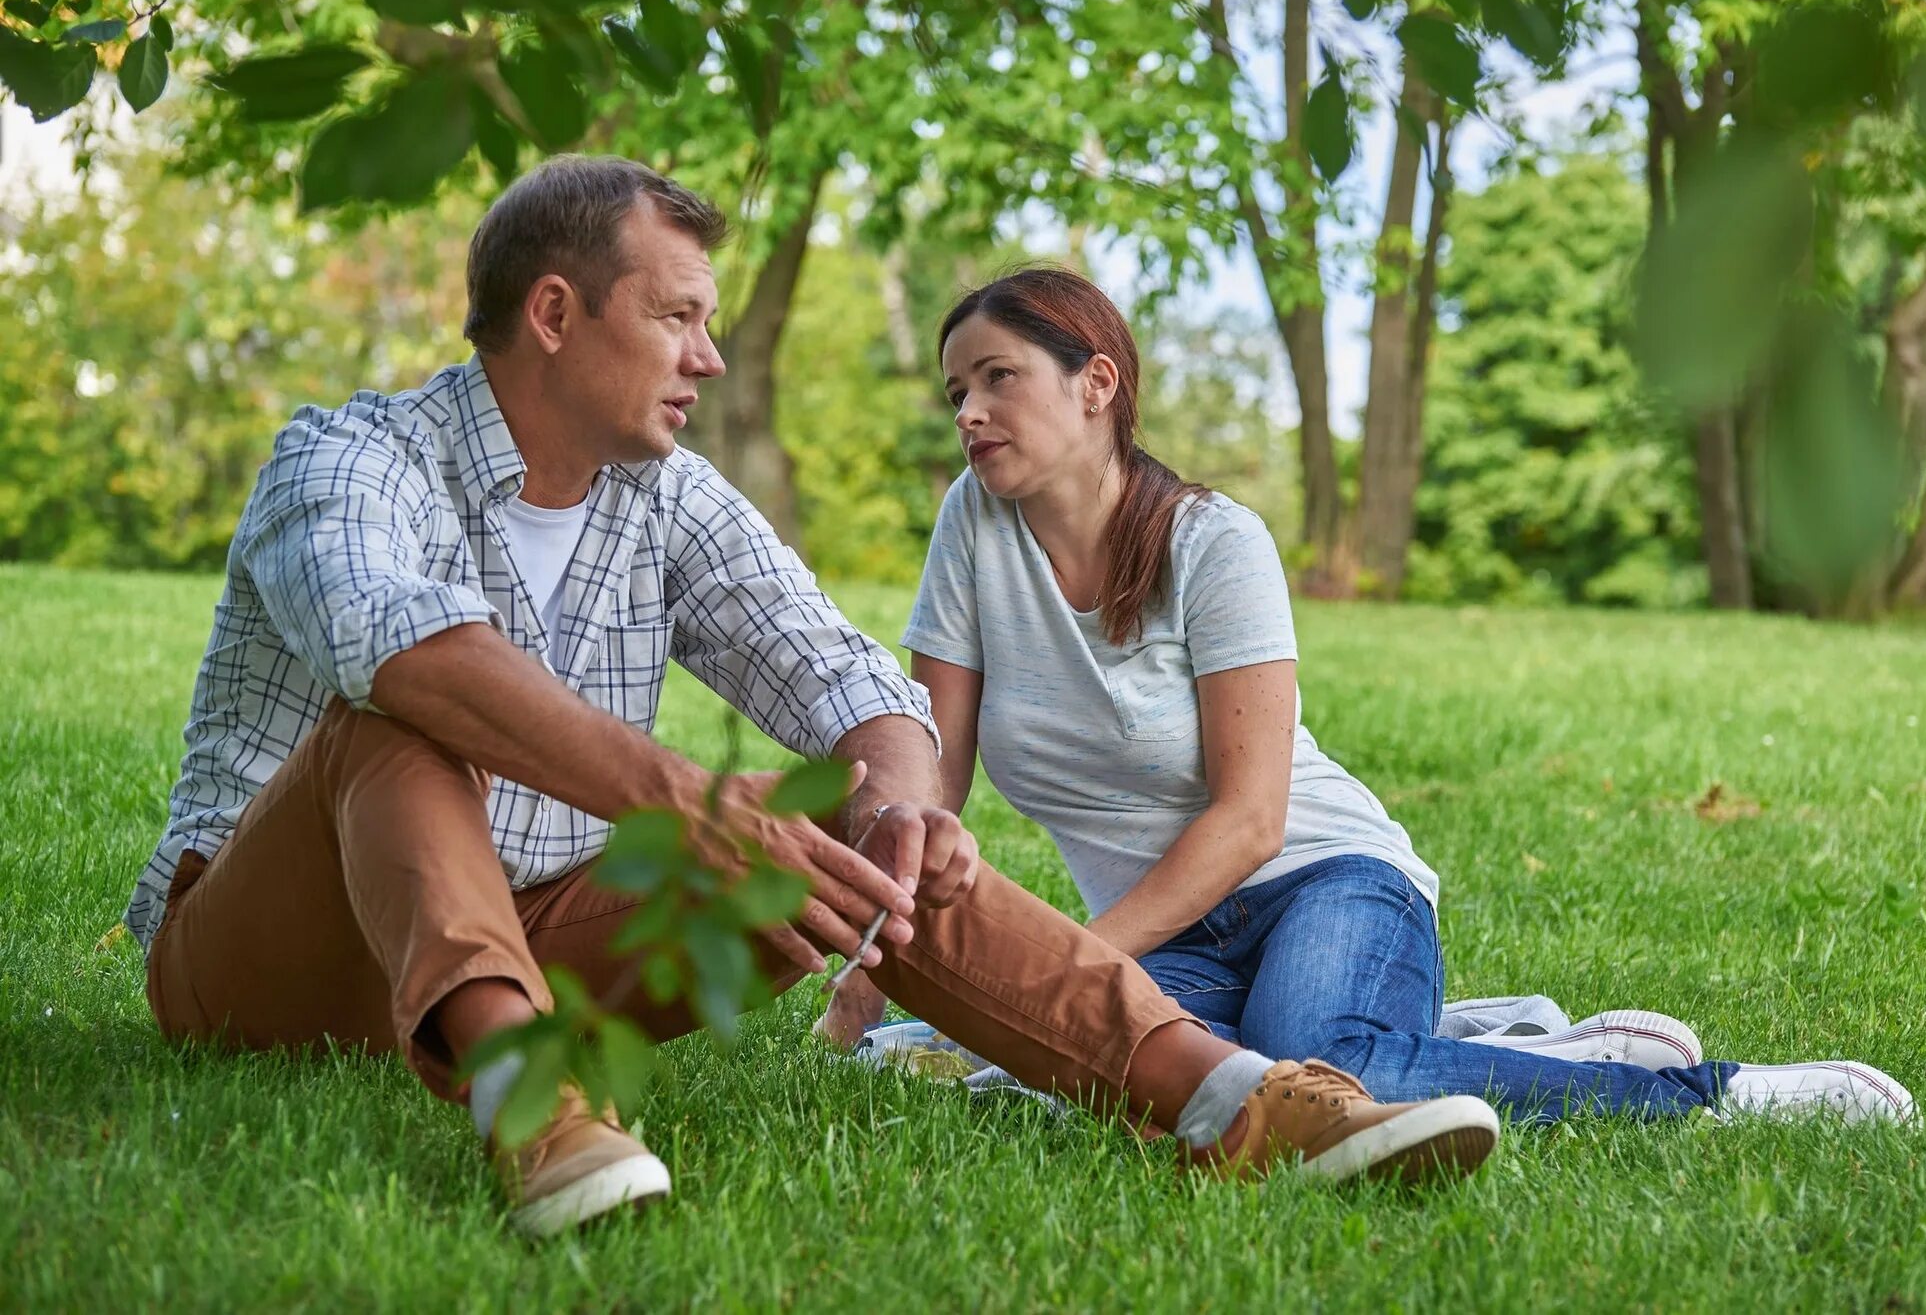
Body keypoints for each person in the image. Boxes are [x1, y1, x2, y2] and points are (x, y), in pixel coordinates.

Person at [129, 157, 1505, 1239]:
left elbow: (852, 677)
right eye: (676, 315)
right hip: (269, 958)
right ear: (556, 314)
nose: (706, 358)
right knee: (400, 717)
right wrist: (684, 796)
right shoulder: (348, 459)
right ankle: (536, 1106)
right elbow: (412, 651)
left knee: (843, 830)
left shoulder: (661, 493)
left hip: (545, 927)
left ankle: (1233, 1097)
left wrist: (900, 804)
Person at [819, 266, 1917, 1131]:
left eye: (997, 376)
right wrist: (888, 949)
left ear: (1095, 383)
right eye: (956, 389)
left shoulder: (1214, 543)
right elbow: (937, 774)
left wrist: (1077, 960)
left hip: (1320, 879)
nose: (968, 410)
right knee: (1118, 1081)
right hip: (1177, 927)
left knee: (1323, 1078)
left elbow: (1250, 821)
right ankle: (1528, 1047)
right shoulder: (973, 524)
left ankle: (1713, 1094)